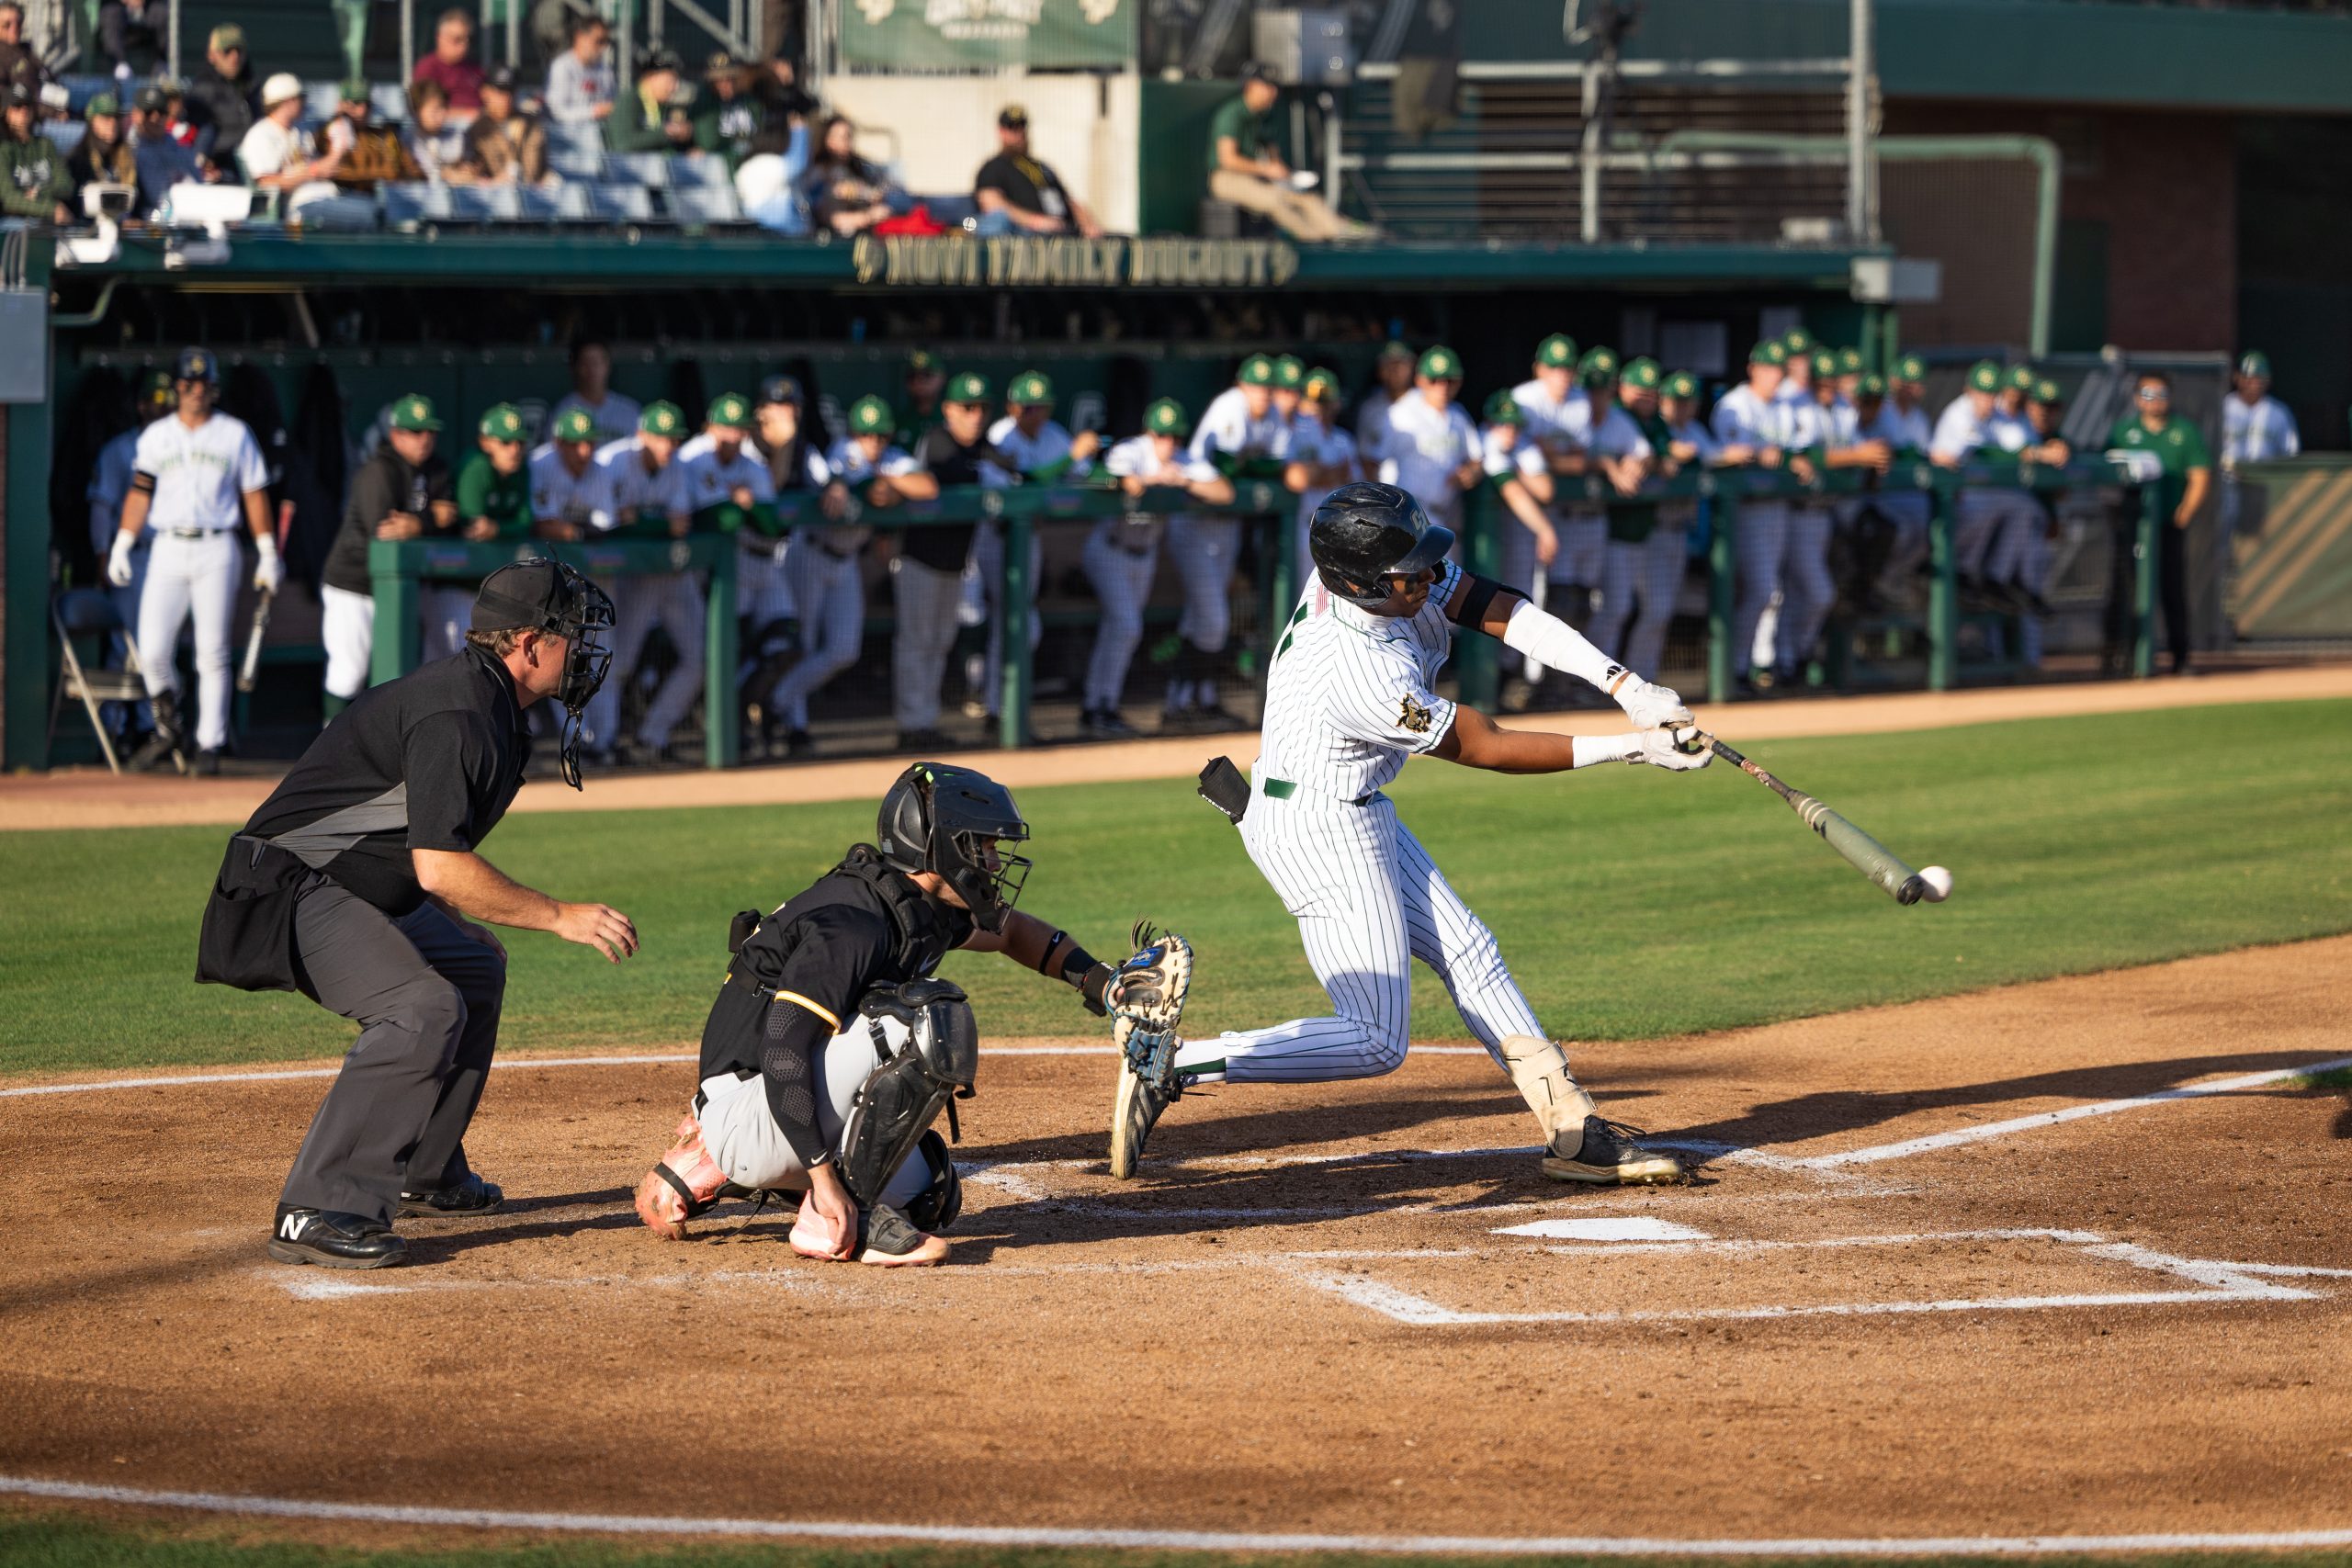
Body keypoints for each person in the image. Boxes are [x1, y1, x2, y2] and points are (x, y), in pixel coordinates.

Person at [1106, 481, 1707, 1183]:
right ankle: (1170, 1061)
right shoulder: (1361, 671)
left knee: (1472, 951)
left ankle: (1571, 1128)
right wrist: (1633, 748)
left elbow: (1493, 606)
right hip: (1316, 829)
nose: (1426, 578)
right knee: (1375, 1038)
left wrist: (1625, 686)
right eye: (1408, 572)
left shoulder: (1378, 581)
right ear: (1359, 582)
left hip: (1352, 804)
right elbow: (1485, 743)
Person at [220, 558, 631, 1269]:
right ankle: (319, 1203)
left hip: (346, 881)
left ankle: (425, 1169)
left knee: (474, 966)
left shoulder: (492, 706)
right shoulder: (459, 713)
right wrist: (559, 915)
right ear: (528, 643)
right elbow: (440, 864)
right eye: (571, 633)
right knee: (421, 1008)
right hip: (284, 887)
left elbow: (406, 847)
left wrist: (449, 914)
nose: (583, 650)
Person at [631, 762, 1159, 1266]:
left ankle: (716, 1169)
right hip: (747, 1102)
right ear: (938, 847)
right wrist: (823, 1179)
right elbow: (783, 1047)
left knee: (930, 1190)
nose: (994, 863)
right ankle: (824, 1214)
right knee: (925, 1016)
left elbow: (1013, 932)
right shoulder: (854, 924)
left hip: (772, 1106)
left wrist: (1103, 983)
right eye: (981, 846)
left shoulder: (915, 906)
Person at [103, 347, 278, 774]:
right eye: (188, 384)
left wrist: (267, 551)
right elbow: (139, 492)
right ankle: (169, 727)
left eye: (203, 384)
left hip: (217, 545)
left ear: (213, 389)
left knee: (211, 651)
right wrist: (123, 541)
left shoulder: (234, 433)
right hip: (166, 544)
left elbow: (254, 494)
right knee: (151, 650)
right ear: (177, 388)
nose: (195, 391)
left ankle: (209, 745)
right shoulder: (157, 435)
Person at [771, 395, 928, 757]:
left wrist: (892, 484)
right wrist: (869, 486)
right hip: (811, 551)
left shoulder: (891, 458)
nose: (873, 442)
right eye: (866, 434)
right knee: (802, 645)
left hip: (846, 559)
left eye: (880, 435)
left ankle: (777, 700)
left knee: (845, 649)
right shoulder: (843, 450)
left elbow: (926, 485)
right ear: (854, 433)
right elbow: (850, 483)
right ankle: (795, 727)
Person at [1091, 399, 1229, 740]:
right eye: (1161, 435)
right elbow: (1126, 481)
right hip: (1110, 548)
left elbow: (1223, 493)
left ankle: (1099, 705)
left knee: (1119, 630)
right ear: (1149, 433)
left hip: (1145, 553)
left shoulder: (1183, 460)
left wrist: (1183, 481)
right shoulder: (1131, 449)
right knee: (1127, 627)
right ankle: (1100, 706)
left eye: (1174, 436)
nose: (1168, 442)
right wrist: (1154, 478)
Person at [319, 394, 456, 719]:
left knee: (410, 672)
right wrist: (428, 520)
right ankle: (329, 739)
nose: (424, 439)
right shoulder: (379, 469)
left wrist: (418, 523)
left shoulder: (437, 469)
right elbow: (383, 530)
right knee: (349, 673)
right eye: (415, 431)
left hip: (407, 586)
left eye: (430, 431)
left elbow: (451, 520)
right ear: (396, 435)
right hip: (354, 584)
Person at [899, 371, 1013, 750]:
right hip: (918, 560)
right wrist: (989, 472)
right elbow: (952, 473)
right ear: (949, 409)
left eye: (981, 408)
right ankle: (911, 725)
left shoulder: (981, 446)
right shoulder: (938, 440)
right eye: (967, 407)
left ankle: (925, 722)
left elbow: (1014, 469)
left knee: (939, 643)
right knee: (917, 643)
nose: (975, 416)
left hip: (953, 563)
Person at [1173, 354, 1287, 731]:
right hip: (1195, 520)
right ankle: (1188, 700)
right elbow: (1225, 465)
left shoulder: (1272, 415)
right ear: (1242, 385)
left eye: (1268, 387)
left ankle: (1190, 701)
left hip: (1228, 525)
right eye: (1256, 386)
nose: (1263, 394)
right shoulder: (1229, 407)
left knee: (1200, 618)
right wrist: (1255, 466)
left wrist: (1252, 466)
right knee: (1213, 619)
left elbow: (1278, 464)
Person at [981, 369, 1097, 729]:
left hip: (1027, 539)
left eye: (1041, 407)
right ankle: (997, 708)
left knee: (1020, 625)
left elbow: (1085, 473)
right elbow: (1021, 485)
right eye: (1028, 407)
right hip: (992, 539)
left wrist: (1116, 476)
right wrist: (1069, 458)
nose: (1035, 414)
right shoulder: (999, 435)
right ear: (1012, 407)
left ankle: (1001, 709)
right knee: (1010, 622)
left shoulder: (1052, 435)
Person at [590, 400, 702, 765]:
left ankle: (651, 736)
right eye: (661, 437)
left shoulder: (678, 467)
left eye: (675, 438)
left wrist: (638, 519)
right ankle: (599, 740)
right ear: (642, 435)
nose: (669, 445)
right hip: (627, 577)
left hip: (671, 574)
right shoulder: (612, 461)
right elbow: (607, 524)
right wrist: (652, 523)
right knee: (617, 663)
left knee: (700, 659)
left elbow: (679, 525)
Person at [1711, 338, 1819, 693]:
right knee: (1761, 590)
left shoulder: (1785, 407)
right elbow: (1737, 452)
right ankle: (1736, 667)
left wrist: (1790, 458)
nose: (1774, 376)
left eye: (1779, 370)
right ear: (1752, 369)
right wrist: (1773, 456)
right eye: (1768, 368)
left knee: (1775, 591)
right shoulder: (1734, 404)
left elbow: (1800, 448)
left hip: (1778, 508)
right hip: (1743, 510)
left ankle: (1764, 663)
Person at [1586, 358, 1692, 678]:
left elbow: (1654, 455)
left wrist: (1649, 462)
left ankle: (1637, 678)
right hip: (1606, 530)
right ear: (1622, 388)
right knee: (1609, 608)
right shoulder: (1615, 415)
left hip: (1643, 532)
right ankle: (1592, 680)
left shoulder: (1653, 423)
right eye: (1639, 390)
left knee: (1647, 608)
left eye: (1651, 391)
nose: (1645, 397)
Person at [86, 369, 175, 740]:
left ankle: (152, 726)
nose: (165, 408)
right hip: (134, 556)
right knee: (126, 645)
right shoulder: (121, 450)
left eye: (170, 402)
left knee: (162, 645)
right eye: (158, 401)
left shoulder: (182, 448)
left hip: (173, 553)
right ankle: (113, 728)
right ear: (141, 406)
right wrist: (102, 554)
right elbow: (101, 507)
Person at [2108, 369, 2212, 676]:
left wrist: (2184, 512)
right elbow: (2107, 474)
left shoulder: (2184, 431)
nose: (2154, 401)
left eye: (2161, 395)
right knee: (2126, 589)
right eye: (2148, 395)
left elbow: (2200, 475)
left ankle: (2180, 657)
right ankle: (2121, 656)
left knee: (2172, 590)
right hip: (2131, 525)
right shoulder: (2123, 431)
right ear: (2137, 399)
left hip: (2167, 525)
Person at [1206, 61, 1368, 243]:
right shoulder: (1232, 114)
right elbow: (1228, 160)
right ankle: (1312, 240)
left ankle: (1340, 230)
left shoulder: (1265, 117)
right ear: (1251, 85)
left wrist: (1285, 176)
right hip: (1227, 179)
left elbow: (1273, 157)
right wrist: (1266, 169)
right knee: (1274, 200)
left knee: (1307, 199)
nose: (1273, 92)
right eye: (1267, 86)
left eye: (1275, 87)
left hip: (1259, 178)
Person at [1372, 344, 1481, 538]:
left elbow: (1477, 459)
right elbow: (1373, 462)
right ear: (1420, 379)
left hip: (1445, 515)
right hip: (1406, 515)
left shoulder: (1458, 416)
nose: (1442, 387)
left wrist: (1470, 472)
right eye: (1434, 380)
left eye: (1449, 380)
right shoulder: (1400, 413)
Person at [973, 102, 1099, 238]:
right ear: (1001, 131)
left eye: (1022, 127)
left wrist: (1088, 224)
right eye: (1012, 127)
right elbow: (992, 204)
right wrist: (1035, 221)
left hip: (1064, 232)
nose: (1019, 133)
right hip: (1025, 236)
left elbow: (1071, 202)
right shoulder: (993, 167)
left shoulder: (1042, 167)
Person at [1283, 366, 1360, 578]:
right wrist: (1332, 473)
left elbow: (1353, 484)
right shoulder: (1293, 433)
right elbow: (1297, 478)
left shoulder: (1344, 440)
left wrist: (1319, 474)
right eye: (1313, 401)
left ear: (1336, 403)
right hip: (1302, 525)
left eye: (1324, 402)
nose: (1318, 408)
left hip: (1339, 527)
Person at [238, 73, 347, 210]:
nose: (304, 102)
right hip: (285, 207)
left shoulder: (302, 127)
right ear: (287, 102)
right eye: (301, 98)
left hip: (318, 196)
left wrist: (339, 117)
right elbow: (265, 183)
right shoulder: (261, 135)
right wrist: (313, 172)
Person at [2220, 349, 2298, 539]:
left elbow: (2291, 453)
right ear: (2237, 378)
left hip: (2266, 485)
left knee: (2267, 534)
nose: (2254, 384)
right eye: (2249, 378)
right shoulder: (2223, 408)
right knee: (2226, 533)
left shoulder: (2279, 412)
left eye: (2259, 379)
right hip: (2229, 483)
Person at [798, 112, 898, 236]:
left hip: (866, 236)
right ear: (828, 140)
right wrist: (869, 216)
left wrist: (873, 195)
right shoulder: (818, 174)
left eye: (850, 137)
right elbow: (832, 218)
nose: (848, 142)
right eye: (843, 137)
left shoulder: (860, 168)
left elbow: (883, 188)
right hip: (835, 240)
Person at [528, 405, 614, 542]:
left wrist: (577, 532)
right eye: (575, 444)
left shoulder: (601, 470)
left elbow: (606, 524)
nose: (585, 452)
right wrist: (579, 532)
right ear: (559, 443)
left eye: (590, 442)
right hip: (543, 548)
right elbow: (543, 525)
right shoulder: (540, 464)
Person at [129, 82, 212, 212]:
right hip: (149, 218)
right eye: (149, 112)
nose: (155, 118)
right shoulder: (127, 150)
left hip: (186, 214)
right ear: (135, 114)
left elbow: (199, 186)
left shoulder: (179, 149)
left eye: (161, 112)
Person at [324, 77, 422, 189]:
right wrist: (387, 177)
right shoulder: (331, 136)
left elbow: (414, 171)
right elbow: (338, 175)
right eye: (355, 103)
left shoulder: (387, 135)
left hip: (394, 195)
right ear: (341, 105)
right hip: (354, 196)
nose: (363, 110)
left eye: (367, 104)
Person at [458, 66, 548, 186]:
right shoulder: (476, 131)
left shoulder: (531, 125)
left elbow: (539, 170)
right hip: (493, 194)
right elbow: (468, 173)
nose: (506, 98)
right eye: (500, 92)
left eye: (510, 91)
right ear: (485, 92)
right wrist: (493, 182)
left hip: (530, 192)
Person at [182, 23, 257, 158]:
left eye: (239, 50)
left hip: (252, 158)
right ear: (211, 55)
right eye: (227, 51)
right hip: (220, 163)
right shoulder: (202, 91)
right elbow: (199, 137)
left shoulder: (253, 88)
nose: (235, 57)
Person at [0, 77, 68, 221]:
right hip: (12, 224)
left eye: (27, 106)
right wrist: (50, 209)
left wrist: (38, 192)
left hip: (49, 222)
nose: (24, 111)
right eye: (17, 107)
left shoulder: (46, 144)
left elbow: (65, 184)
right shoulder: (4, 150)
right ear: (6, 113)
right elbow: (8, 198)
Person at [550, 339, 641, 446]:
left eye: (597, 362)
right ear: (575, 368)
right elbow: (552, 452)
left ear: (608, 366)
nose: (592, 369)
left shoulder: (629, 410)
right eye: (586, 363)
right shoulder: (563, 411)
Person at [608, 45, 693, 154]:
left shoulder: (662, 105)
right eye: (670, 80)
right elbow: (623, 143)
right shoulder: (630, 101)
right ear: (651, 76)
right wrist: (666, 132)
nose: (674, 87)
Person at [410, 7, 484, 119]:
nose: (464, 45)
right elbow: (427, 113)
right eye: (457, 39)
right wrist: (468, 114)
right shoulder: (427, 68)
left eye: (468, 39)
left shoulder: (475, 70)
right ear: (440, 38)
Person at [1353, 339, 1417, 470]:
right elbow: (1363, 455)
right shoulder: (1369, 407)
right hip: (1379, 481)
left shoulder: (1426, 402)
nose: (1394, 370)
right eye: (1388, 365)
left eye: (1400, 365)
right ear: (1379, 370)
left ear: (1412, 367)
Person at [692, 51, 762, 168]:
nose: (725, 85)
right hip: (719, 166)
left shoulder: (750, 102)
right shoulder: (705, 106)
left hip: (753, 163)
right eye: (718, 81)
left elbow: (762, 132)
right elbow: (709, 142)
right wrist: (739, 139)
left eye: (729, 79)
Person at [545, 11, 614, 127]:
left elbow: (611, 103)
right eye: (599, 41)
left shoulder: (605, 69)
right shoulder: (562, 67)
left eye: (606, 41)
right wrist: (594, 112)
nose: (604, 47)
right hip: (567, 133)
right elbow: (557, 112)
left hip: (599, 130)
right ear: (580, 37)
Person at [64, 90, 136, 200]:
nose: (113, 123)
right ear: (92, 122)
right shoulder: (77, 161)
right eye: (106, 117)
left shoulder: (126, 158)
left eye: (116, 117)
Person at [403, 77, 469, 181]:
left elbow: (466, 167)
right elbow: (427, 172)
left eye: (444, 107)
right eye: (435, 109)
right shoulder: (407, 139)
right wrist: (448, 174)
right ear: (417, 111)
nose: (443, 114)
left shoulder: (455, 136)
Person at [96, 0, 168, 79]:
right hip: (118, 8)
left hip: (146, 12)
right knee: (112, 13)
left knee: (162, 11)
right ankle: (119, 65)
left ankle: (163, 63)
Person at [895, 348, 946, 444]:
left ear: (942, 377)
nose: (918, 381)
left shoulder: (950, 419)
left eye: (927, 375)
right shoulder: (897, 421)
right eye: (912, 376)